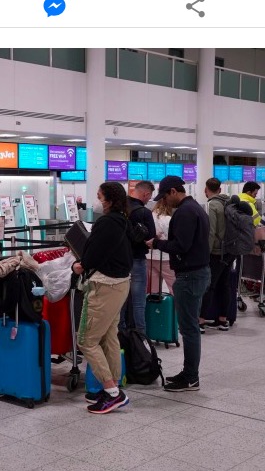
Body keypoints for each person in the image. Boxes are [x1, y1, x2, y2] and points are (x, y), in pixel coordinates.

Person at [72, 181, 133, 414]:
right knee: (108, 336)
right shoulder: (123, 220)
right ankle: (113, 386)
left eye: (99, 196)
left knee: (86, 340)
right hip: (120, 284)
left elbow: (93, 254)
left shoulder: (106, 222)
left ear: (109, 200)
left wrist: (80, 266)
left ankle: (112, 392)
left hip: (104, 286)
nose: (97, 201)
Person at [146, 175, 210, 393]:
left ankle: (191, 378)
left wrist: (157, 243)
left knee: (189, 329)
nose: (164, 201)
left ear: (173, 191)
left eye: (165, 197)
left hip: (189, 276)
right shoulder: (196, 208)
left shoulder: (184, 212)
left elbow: (181, 246)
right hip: (197, 273)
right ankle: (188, 373)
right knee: (190, 327)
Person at [119, 180, 156, 333]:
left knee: (120, 300)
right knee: (139, 302)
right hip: (137, 259)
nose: (149, 200)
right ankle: (141, 336)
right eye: (150, 196)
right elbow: (151, 237)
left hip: (121, 261)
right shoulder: (144, 212)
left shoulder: (120, 208)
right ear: (145, 194)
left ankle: (120, 334)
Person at [199, 178, 234, 333]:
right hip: (230, 251)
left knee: (209, 286)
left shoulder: (212, 205)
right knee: (224, 285)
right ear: (220, 189)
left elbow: (211, 232)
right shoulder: (228, 203)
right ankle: (223, 320)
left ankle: (200, 321)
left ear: (206, 190)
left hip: (216, 252)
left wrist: (205, 253)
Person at [148, 199, 175, 294]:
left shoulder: (149, 217)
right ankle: (176, 304)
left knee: (153, 290)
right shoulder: (168, 219)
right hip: (165, 258)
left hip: (149, 257)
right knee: (174, 287)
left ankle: (154, 304)